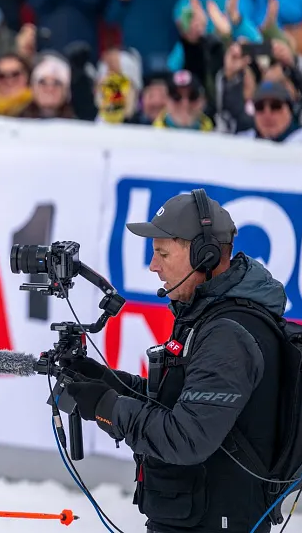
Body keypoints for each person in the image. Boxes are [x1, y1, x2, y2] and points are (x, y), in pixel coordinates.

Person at [57, 191, 286, 533]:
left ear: (205, 256)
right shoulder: (207, 315)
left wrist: (106, 407)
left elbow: (186, 437)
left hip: (212, 521)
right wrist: (107, 382)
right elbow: (177, 402)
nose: (153, 265)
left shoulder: (229, 335)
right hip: (195, 516)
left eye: (163, 253)